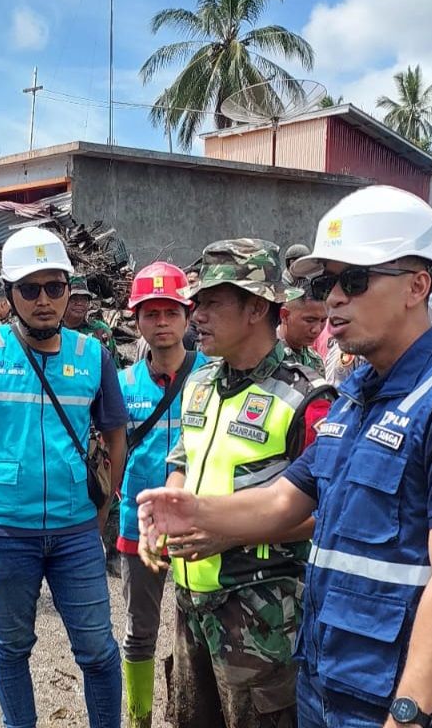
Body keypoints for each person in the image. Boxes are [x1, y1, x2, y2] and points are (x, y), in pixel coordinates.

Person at [138, 185, 432, 728]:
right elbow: (283, 500)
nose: (333, 298)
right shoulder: (356, 398)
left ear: (418, 284)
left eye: (355, 280)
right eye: (327, 282)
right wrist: (195, 513)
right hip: (327, 683)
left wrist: (408, 714)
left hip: (401, 702)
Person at [137, 240, 333, 728]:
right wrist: (165, 509)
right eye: (196, 301)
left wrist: (233, 532)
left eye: (210, 302)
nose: (195, 314)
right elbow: (182, 461)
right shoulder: (199, 383)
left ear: (256, 307)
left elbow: (328, 516)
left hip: (262, 618)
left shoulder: (308, 397)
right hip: (191, 603)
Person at [0, 226, 128, 728]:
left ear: (69, 290)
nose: (44, 300)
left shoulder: (92, 354)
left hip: (76, 531)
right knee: (11, 647)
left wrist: (103, 507)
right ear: (10, 294)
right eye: (30, 289)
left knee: (97, 649)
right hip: (7, 532)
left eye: (55, 287)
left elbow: (115, 431)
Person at [116, 262, 207, 728]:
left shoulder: (213, 378)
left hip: (202, 524)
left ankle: (190, 713)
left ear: (187, 315)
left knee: (200, 629)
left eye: (170, 311)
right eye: (150, 314)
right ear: (137, 322)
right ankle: (138, 718)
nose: (162, 323)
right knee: (139, 632)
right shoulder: (122, 383)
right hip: (141, 526)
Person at [63, 274, 117, 358]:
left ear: (89, 304)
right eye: (74, 299)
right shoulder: (54, 331)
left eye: (84, 299)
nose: (79, 303)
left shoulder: (100, 330)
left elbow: (113, 364)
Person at [278, 287, 327, 372]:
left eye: (323, 320)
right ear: (285, 316)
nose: (317, 330)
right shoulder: (263, 355)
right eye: (310, 320)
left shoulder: (315, 361)